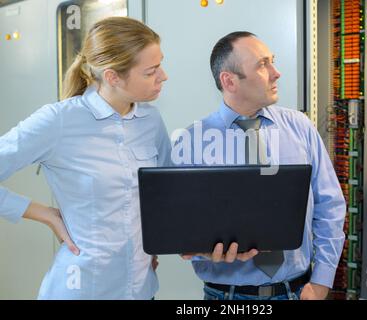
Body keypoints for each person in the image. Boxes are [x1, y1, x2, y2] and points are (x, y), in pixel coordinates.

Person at [0, 17, 170, 299]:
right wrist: (46, 215)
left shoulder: (150, 120)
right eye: (151, 71)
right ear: (113, 76)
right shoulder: (59, 120)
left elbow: (166, 191)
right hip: (82, 289)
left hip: (141, 290)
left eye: (160, 64)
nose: (163, 76)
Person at [177, 32, 346, 300]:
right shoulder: (192, 142)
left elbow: (330, 207)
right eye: (262, 64)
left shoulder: (299, 127)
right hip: (226, 297)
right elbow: (180, 224)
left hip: (298, 292)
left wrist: (322, 282)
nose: (276, 73)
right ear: (229, 81)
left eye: (273, 61)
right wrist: (201, 248)